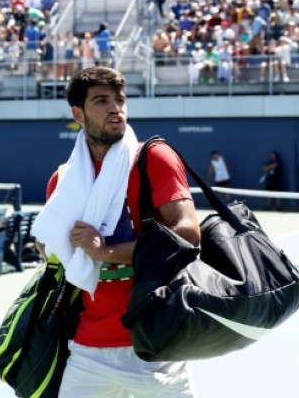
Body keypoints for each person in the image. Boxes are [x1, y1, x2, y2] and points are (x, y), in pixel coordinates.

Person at [37, 66, 201, 397]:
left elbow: (188, 233)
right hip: (88, 348)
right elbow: (52, 254)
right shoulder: (63, 181)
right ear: (78, 113)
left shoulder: (154, 158)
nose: (116, 108)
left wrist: (105, 253)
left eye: (120, 99)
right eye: (101, 100)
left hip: (154, 347)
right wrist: (50, 244)